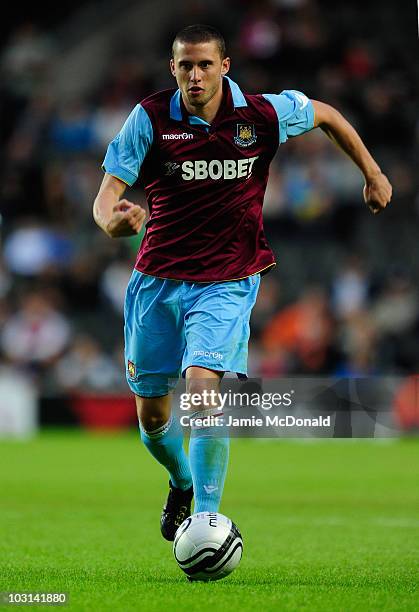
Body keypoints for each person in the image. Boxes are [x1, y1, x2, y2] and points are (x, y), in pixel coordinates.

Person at [93, 24, 392, 541]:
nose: (195, 75)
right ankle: (181, 482)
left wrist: (372, 172)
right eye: (185, 65)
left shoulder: (261, 114)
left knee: (203, 393)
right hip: (157, 281)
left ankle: (207, 518)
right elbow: (105, 197)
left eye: (205, 64)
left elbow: (327, 114)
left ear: (224, 66)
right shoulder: (150, 118)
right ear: (173, 69)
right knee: (151, 417)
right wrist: (111, 221)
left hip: (227, 280)